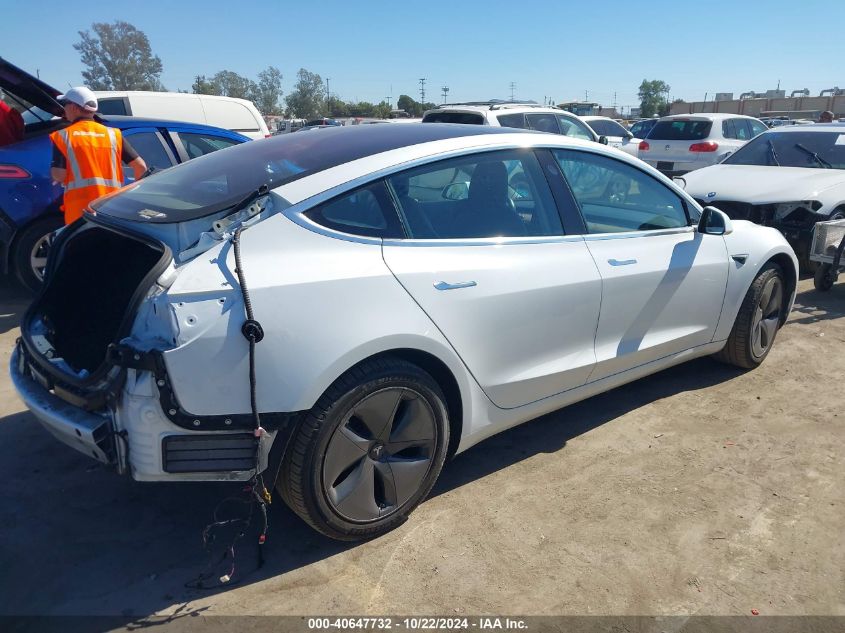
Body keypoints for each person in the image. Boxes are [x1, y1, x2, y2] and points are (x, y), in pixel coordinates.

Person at [50, 86, 146, 225]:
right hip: (112, 210)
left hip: (80, 213)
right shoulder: (113, 135)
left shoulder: (63, 136)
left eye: (65, 105)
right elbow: (140, 167)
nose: (64, 110)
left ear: (74, 108)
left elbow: (59, 175)